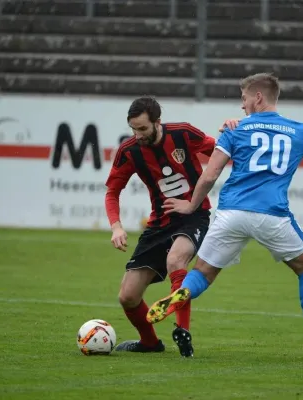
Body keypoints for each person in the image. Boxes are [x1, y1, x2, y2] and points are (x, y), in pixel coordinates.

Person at [146, 73, 303, 360]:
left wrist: (191, 206)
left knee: (202, 273)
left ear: (258, 97)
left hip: (231, 212)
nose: (242, 106)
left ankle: (183, 292)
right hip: (272, 215)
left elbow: (210, 174)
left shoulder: (235, 129)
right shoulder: (301, 130)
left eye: (244, 98)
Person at [105, 96, 216, 357]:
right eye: (133, 128)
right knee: (128, 296)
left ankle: (183, 332)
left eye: (142, 128)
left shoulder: (183, 134)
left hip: (194, 216)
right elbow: (112, 191)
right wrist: (116, 226)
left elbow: (222, 151)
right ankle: (150, 343)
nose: (137, 134)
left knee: (176, 259)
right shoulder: (129, 151)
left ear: (157, 122)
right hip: (159, 225)